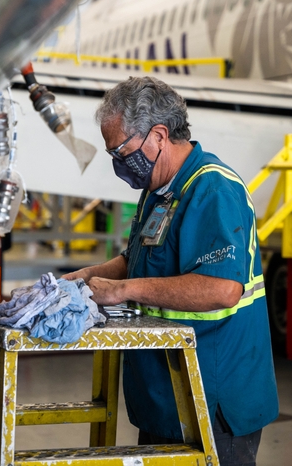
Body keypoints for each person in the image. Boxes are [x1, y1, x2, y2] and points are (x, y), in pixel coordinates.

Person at [63, 76, 278, 466]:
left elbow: (222, 289)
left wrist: (124, 290)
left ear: (159, 135)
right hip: (168, 396)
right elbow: (137, 260)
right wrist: (85, 277)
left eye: (122, 151)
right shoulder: (159, 190)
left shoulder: (213, 190)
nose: (118, 163)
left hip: (213, 398)